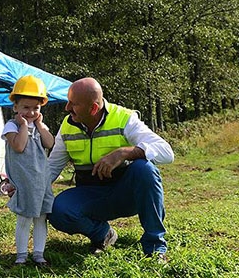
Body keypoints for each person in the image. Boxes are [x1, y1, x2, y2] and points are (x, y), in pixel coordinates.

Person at [47, 77, 174, 260]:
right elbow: (51, 168)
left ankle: (155, 248)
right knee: (57, 210)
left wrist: (125, 152)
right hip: (91, 196)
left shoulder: (123, 118)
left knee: (145, 170)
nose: (66, 108)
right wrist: (22, 187)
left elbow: (167, 152)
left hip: (126, 195)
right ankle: (103, 235)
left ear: (93, 109)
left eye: (73, 104)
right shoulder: (67, 125)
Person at [2, 75, 55, 266]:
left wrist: (40, 126)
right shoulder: (12, 126)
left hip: (41, 181)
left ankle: (39, 253)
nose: (31, 112)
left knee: (41, 218)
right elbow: (19, 146)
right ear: (15, 107)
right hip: (24, 182)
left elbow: (50, 143)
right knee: (25, 218)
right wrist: (24, 125)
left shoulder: (40, 126)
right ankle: (21, 254)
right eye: (26, 107)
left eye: (36, 108)